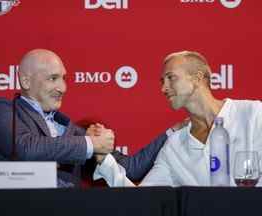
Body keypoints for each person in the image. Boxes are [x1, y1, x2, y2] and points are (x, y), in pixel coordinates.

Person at [0, 49, 178, 187]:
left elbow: (132, 168)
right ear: (26, 81)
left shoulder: (72, 132)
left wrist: (174, 132)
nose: (62, 88)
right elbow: (26, 148)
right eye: (52, 78)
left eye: (64, 78)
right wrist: (90, 143)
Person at [93, 50, 262, 187]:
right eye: (162, 81)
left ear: (197, 78)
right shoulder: (174, 146)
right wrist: (105, 161)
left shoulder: (254, 114)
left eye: (170, 78)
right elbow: (143, 199)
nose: (163, 88)